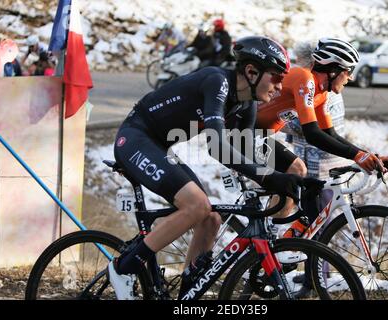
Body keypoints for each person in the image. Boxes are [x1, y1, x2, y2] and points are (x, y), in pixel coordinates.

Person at [107, 36, 324, 299]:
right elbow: (218, 147)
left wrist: (292, 175)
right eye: (276, 77)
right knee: (197, 205)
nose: (280, 86)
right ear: (252, 72)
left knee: (210, 218)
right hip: (135, 137)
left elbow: (245, 149)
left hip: (161, 146)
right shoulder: (217, 82)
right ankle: (123, 267)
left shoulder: (247, 104)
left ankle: (188, 298)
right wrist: (271, 179)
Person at [255, 38, 388, 297]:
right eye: (348, 72)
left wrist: (366, 155)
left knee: (305, 189)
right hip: (241, 135)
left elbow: (329, 133)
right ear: (333, 70)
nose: (350, 78)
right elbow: (312, 135)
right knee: (298, 171)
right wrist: (356, 156)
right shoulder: (304, 78)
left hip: (260, 138)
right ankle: (276, 243)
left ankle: (281, 247)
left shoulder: (321, 94)